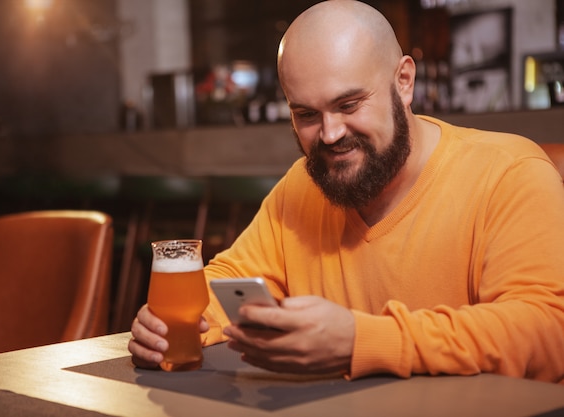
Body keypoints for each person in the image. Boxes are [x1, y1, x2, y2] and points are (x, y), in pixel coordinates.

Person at [128, 0, 564, 383]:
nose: (331, 134)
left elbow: (547, 330)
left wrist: (362, 341)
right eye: (306, 114)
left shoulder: (508, 173)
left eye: (349, 104)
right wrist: (178, 324)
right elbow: (226, 284)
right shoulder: (302, 185)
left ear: (404, 81)